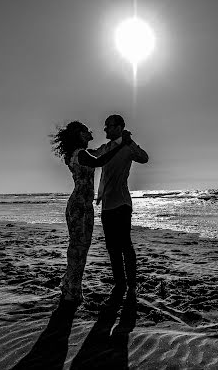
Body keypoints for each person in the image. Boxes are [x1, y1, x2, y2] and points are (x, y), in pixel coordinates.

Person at [51, 121, 131, 306]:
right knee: (79, 249)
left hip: (81, 205)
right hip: (80, 206)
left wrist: (116, 144)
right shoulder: (80, 154)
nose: (90, 134)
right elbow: (100, 161)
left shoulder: (77, 154)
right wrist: (122, 145)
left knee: (78, 248)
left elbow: (98, 154)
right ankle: (72, 291)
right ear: (79, 134)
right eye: (86, 131)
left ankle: (70, 286)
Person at [91, 114, 149, 306]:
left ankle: (132, 285)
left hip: (122, 203)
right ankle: (119, 284)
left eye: (108, 126)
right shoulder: (105, 148)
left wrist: (130, 142)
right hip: (106, 204)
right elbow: (92, 156)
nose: (105, 129)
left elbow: (144, 158)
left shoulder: (128, 147)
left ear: (119, 127)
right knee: (111, 247)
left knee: (125, 245)